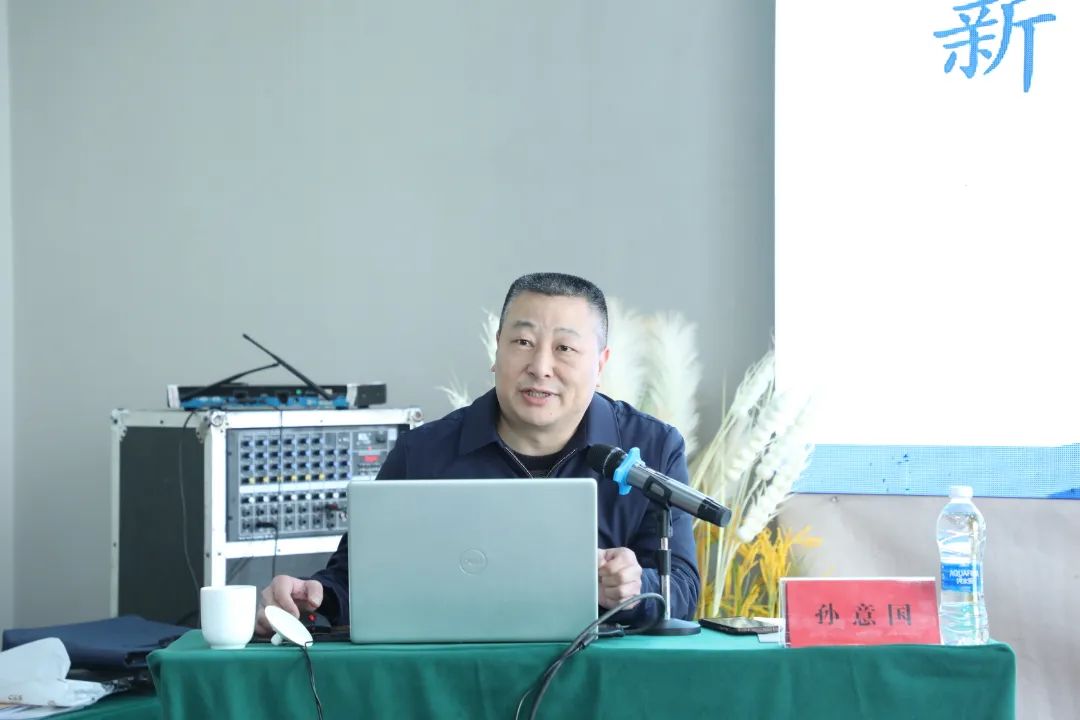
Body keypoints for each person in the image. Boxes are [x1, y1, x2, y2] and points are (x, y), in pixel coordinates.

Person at [255, 272, 700, 635]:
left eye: (564, 348)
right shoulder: (422, 453)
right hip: (450, 676)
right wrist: (315, 595)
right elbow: (356, 577)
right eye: (522, 342)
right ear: (497, 349)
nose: (540, 367)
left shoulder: (653, 448)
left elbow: (682, 588)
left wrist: (636, 588)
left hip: (595, 677)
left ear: (599, 364)